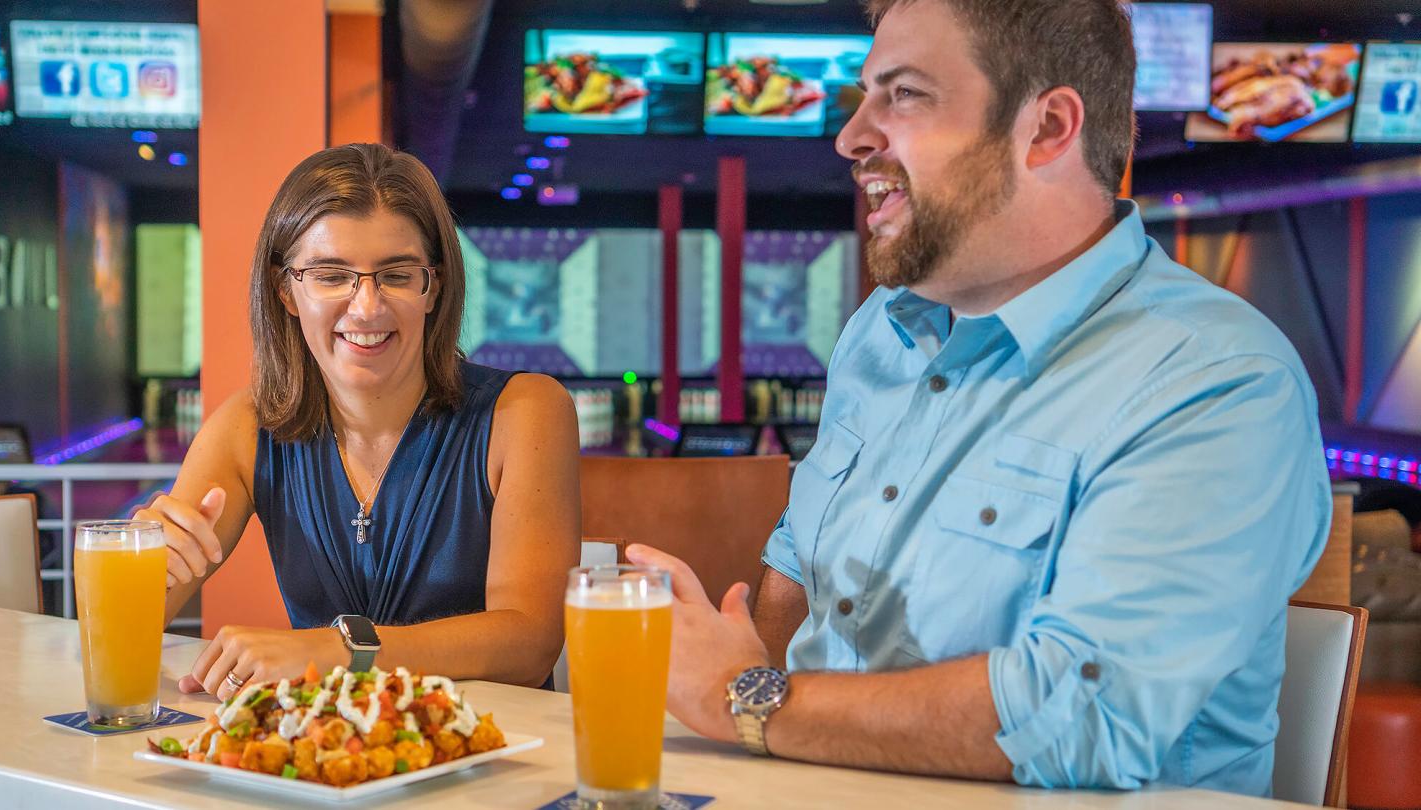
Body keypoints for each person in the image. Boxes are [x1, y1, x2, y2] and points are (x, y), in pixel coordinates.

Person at [629, 0, 1329, 796]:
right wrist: (748, 726)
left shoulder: (1216, 381)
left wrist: (748, 700)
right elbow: (800, 561)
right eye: (865, 95)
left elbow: (1085, 716)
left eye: (904, 95)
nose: (850, 136)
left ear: (1048, 129)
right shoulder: (881, 330)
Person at [141, 143, 580, 698]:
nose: (367, 306)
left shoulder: (526, 411)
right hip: (326, 745)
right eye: (331, 275)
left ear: (434, 287)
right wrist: (140, 566)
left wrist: (344, 651)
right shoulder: (246, 427)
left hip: (495, 743)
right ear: (286, 291)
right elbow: (120, 631)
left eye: (396, 274)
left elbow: (531, 643)